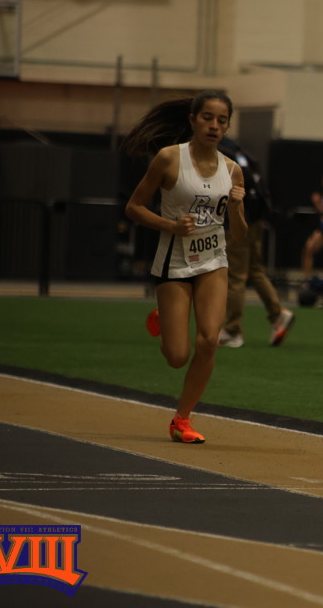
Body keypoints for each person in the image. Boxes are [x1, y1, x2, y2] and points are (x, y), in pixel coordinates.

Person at [124, 90, 247, 444]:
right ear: (193, 120)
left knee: (209, 341)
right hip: (174, 261)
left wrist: (236, 207)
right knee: (177, 356)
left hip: (213, 260)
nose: (214, 125)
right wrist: (171, 226)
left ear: (227, 126)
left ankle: (182, 419)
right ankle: (164, 319)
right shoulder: (169, 159)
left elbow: (239, 236)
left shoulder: (232, 170)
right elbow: (134, 207)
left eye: (221, 120)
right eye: (207, 117)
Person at [216, 138, 295, 349]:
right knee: (254, 270)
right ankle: (278, 315)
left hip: (240, 218)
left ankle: (232, 330)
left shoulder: (220, 151)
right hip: (257, 218)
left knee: (236, 276)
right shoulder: (240, 150)